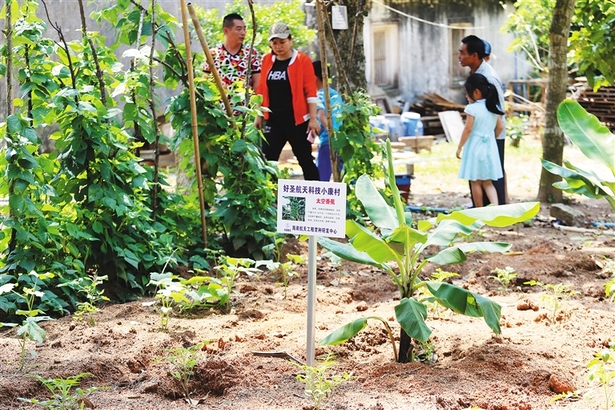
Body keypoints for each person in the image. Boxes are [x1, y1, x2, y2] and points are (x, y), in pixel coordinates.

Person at [254, 22, 320, 181]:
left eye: (282, 42)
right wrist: (259, 114)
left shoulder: (302, 60)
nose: (278, 46)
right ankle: (270, 200)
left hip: (297, 121)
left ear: (290, 40)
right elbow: (262, 89)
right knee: (268, 161)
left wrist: (312, 119)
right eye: (274, 43)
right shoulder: (267, 60)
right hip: (273, 121)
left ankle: (316, 198)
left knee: (305, 159)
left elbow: (310, 91)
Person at [459, 35, 509, 205]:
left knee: (492, 175)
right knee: (478, 175)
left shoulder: (489, 78)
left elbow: (498, 111)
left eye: (462, 53)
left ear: (474, 55)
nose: (459, 57)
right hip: (481, 135)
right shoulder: (475, 72)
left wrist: (490, 138)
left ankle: (498, 211)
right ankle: (484, 209)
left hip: (491, 134)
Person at [456, 73, 504, 207]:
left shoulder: (472, 108)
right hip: (490, 146)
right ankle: (495, 210)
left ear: (476, 92)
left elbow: (468, 129)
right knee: (488, 182)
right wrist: (491, 137)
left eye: (467, 93)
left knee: (475, 181)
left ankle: (479, 210)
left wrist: (460, 146)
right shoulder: (493, 106)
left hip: (474, 146)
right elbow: (500, 127)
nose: (466, 96)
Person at [203, 13, 261, 90]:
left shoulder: (252, 54)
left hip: (244, 101)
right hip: (218, 101)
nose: (243, 33)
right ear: (226, 31)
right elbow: (204, 82)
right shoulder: (213, 54)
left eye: (244, 29)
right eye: (239, 29)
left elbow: (258, 83)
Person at [312, 60, 343, 182]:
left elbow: (321, 115)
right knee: (340, 176)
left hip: (327, 141)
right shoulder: (335, 94)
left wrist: (330, 132)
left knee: (322, 179)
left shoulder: (319, 95)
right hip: (340, 140)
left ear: (313, 78)